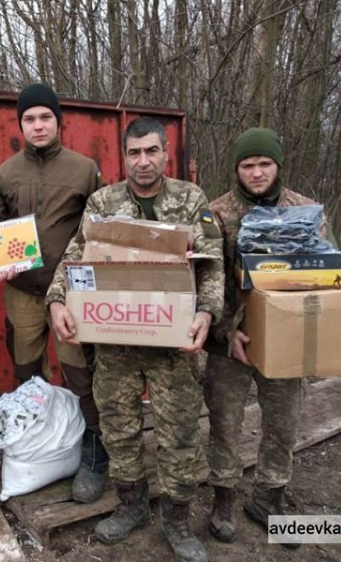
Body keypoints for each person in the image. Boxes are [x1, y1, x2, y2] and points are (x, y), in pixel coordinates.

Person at [47, 117, 224, 561]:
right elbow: (75, 255)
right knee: (119, 430)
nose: (142, 161)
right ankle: (132, 506)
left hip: (173, 347)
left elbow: (213, 262)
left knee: (179, 434)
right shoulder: (103, 203)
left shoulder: (190, 200)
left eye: (151, 151)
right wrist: (57, 301)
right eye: (133, 153)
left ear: (166, 152)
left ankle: (177, 520)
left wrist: (206, 312)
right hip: (116, 343)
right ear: (122, 156)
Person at [0, 83, 108, 502]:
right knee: (27, 370)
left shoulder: (84, 169)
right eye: (29, 119)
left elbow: (99, 230)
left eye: (44, 118)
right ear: (20, 124)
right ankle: (36, 442)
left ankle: (93, 449)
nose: (37, 125)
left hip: (72, 292)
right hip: (22, 291)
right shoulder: (6, 173)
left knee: (79, 371)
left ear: (57, 121)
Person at [204, 127, 319, 548]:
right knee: (224, 423)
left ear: (278, 166)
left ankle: (269, 499)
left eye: (264, 164)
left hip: (287, 339)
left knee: (283, 423)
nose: (256, 172)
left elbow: (328, 276)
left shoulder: (305, 212)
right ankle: (223, 499)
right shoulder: (215, 213)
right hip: (230, 341)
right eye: (248, 164)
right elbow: (206, 280)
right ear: (237, 168)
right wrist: (225, 331)